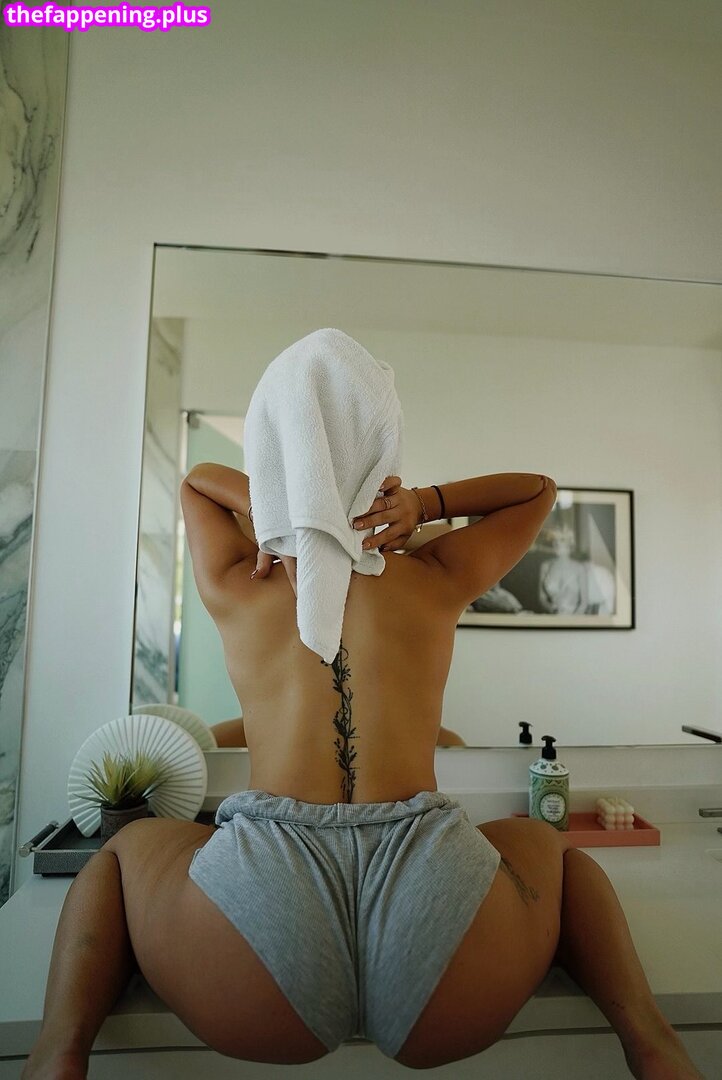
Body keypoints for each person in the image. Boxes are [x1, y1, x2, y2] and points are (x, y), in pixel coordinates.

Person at [24, 338, 703, 1079]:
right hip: (435, 898)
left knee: (123, 854)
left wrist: (277, 509)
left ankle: (60, 1051)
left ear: (273, 441)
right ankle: (650, 1041)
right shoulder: (435, 572)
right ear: (382, 442)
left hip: (262, 910)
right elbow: (536, 490)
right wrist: (424, 505)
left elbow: (196, 483)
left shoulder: (241, 578)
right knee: (553, 852)